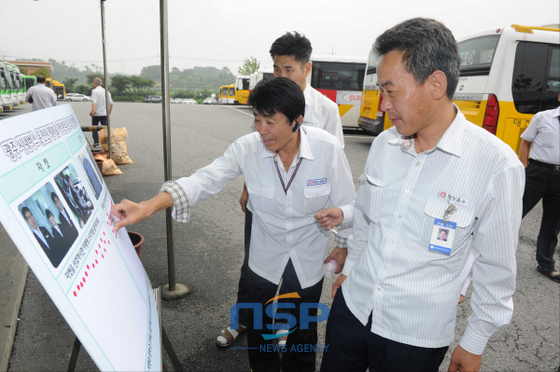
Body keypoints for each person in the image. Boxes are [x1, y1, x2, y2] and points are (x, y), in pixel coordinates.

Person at [320, 18, 524, 372]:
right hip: (353, 308)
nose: (382, 105)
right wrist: (350, 269)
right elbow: (367, 220)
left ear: (435, 84)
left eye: (391, 90)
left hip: (414, 337)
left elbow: (496, 268)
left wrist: (474, 342)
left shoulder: (496, 165)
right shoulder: (384, 145)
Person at [112, 77, 356, 372]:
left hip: (308, 258)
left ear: (297, 121)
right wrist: (147, 206)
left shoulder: (327, 149)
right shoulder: (248, 148)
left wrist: (343, 246)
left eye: (270, 121)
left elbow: (349, 203)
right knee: (259, 330)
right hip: (263, 258)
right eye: (256, 119)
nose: (261, 129)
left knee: (301, 332)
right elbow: (203, 180)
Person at [220, 31, 346, 348]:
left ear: (307, 68)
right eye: (276, 68)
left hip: (306, 208)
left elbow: (335, 164)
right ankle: (243, 322)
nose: (281, 75)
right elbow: (258, 148)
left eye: (288, 69)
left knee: (298, 275)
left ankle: (285, 329)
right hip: (265, 201)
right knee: (254, 266)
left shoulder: (326, 110)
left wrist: (340, 223)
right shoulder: (269, 99)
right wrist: (249, 187)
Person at [519, 93, 560, 283]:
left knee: (553, 223)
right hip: (537, 172)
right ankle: (483, 253)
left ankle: (545, 264)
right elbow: (525, 141)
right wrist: (524, 167)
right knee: (514, 213)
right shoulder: (543, 117)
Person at [90, 77, 113, 147]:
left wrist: (92, 111)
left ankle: (96, 141)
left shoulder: (94, 91)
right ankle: (106, 142)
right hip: (104, 114)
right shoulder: (106, 91)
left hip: (96, 114)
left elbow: (94, 102)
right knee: (105, 129)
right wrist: (109, 111)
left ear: (95, 83)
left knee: (94, 128)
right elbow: (111, 103)